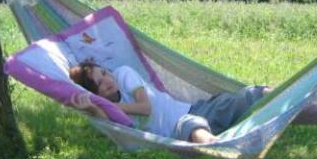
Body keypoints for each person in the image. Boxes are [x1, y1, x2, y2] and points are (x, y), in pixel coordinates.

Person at [68, 61, 271, 144]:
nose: (107, 81)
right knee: (191, 125)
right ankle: (215, 146)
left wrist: (110, 105)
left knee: (250, 94)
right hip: (178, 130)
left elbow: (144, 107)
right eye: (99, 83)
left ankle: (288, 96)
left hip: (198, 108)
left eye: (104, 73)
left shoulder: (123, 74)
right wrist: (94, 108)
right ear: (95, 93)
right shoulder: (109, 110)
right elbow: (112, 129)